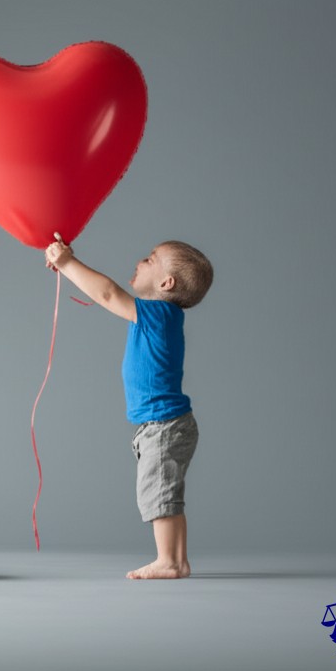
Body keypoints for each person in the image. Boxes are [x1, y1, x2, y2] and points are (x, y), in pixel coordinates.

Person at [45, 234, 213, 579]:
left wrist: (67, 263)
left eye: (150, 259)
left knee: (159, 492)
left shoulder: (159, 314)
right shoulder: (158, 317)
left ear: (166, 283)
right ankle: (177, 561)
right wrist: (67, 266)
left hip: (164, 425)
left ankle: (169, 561)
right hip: (166, 424)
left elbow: (107, 294)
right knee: (165, 491)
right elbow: (105, 294)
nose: (140, 261)